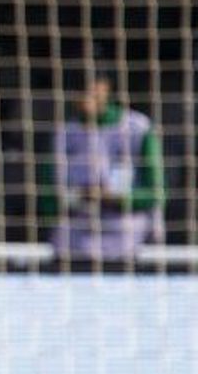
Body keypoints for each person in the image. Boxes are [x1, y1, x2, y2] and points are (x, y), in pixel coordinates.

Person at [43, 71, 164, 265]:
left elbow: (156, 194)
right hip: (76, 235)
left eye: (91, 86)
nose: (84, 94)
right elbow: (46, 199)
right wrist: (77, 196)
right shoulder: (64, 133)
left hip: (125, 233)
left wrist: (115, 197)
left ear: (105, 87)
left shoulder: (138, 128)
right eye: (77, 89)